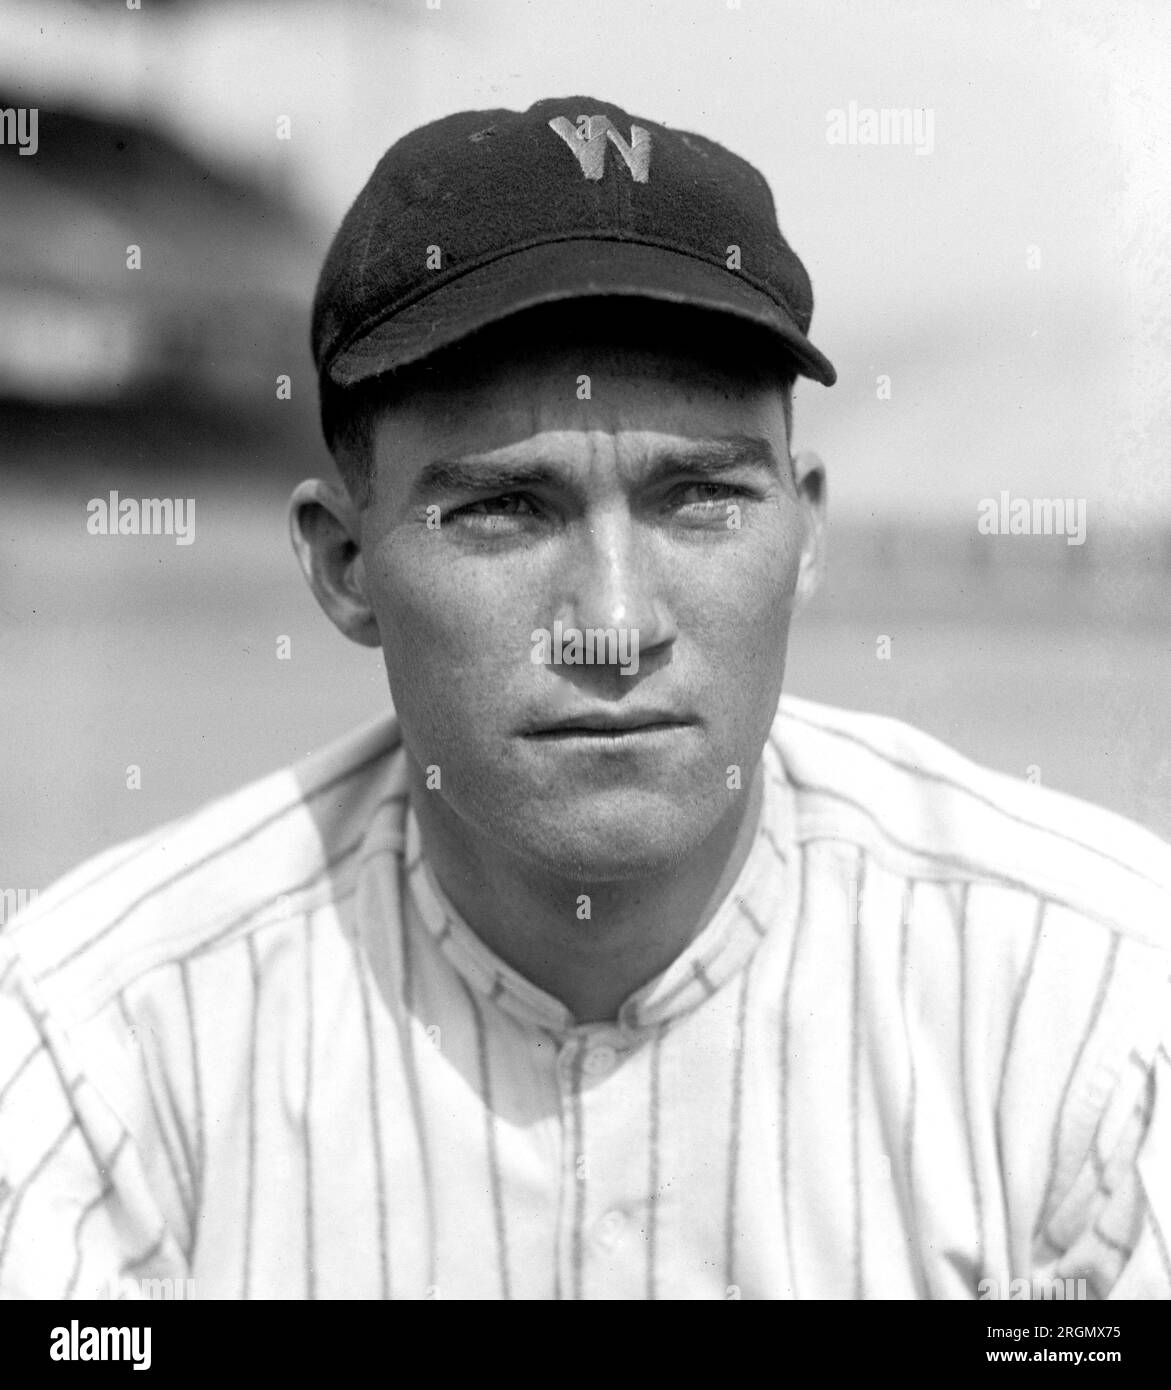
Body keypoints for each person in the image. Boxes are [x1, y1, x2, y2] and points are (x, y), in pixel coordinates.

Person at [2, 96, 1168, 1301]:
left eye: (699, 498)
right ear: (346, 566)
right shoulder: (100, 1047)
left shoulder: (1097, 1005)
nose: (613, 624)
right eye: (505, 509)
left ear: (806, 534)